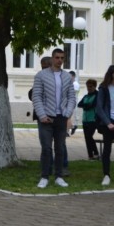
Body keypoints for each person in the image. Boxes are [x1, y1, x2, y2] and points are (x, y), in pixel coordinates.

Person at [32, 48, 76, 189]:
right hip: (46, 118)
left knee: (60, 148)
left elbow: (71, 97)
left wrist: (67, 113)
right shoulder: (41, 75)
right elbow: (36, 96)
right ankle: (44, 176)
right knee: (46, 148)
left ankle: (59, 176)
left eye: (62, 58)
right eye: (57, 57)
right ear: (52, 59)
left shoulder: (67, 77)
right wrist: (42, 115)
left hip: (61, 117)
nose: (59, 60)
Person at [77, 79, 100, 160]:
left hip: (93, 119)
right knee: (87, 138)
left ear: (94, 86)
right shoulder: (86, 96)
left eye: (90, 86)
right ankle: (90, 155)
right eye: (87, 87)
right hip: (85, 120)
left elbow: (93, 105)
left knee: (89, 136)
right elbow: (79, 104)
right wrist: (87, 105)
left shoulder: (97, 95)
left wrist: (86, 105)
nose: (89, 88)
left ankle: (96, 153)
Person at [68, 70, 80, 135]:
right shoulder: (71, 83)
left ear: (73, 76)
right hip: (69, 101)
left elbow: (73, 92)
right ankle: (72, 127)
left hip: (72, 102)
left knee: (67, 116)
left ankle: (69, 129)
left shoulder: (75, 84)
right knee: (67, 117)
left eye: (70, 76)